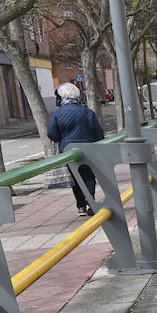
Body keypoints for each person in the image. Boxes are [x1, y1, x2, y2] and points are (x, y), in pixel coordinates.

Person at [47, 83, 105, 217]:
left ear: (61, 97)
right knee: (89, 176)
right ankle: (91, 202)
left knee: (75, 178)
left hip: (68, 152)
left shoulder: (57, 114)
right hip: (87, 150)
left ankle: (81, 207)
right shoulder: (87, 112)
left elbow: (53, 134)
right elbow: (98, 133)